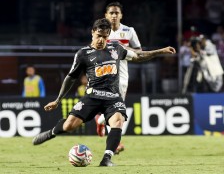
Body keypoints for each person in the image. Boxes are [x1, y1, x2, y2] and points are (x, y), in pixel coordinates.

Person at [32, 18, 176, 167]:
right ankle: (52, 133)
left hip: (113, 97)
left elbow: (138, 56)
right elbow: (71, 78)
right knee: (69, 126)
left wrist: (161, 51)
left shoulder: (116, 48)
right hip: (92, 96)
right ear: (92, 32)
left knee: (118, 121)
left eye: (105, 36)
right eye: (99, 35)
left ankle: (106, 158)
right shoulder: (83, 54)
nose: (101, 39)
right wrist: (57, 100)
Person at [95, 2, 142, 154]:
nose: (114, 15)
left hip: (122, 73)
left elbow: (139, 51)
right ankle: (115, 143)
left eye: (117, 13)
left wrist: (124, 48)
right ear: (106, 15)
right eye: (111, 13)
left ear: (121, 15)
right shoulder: (101, 31)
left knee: (118, 105)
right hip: (105, 71)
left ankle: (100, 120)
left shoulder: (129, 31)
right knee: (115, 107)